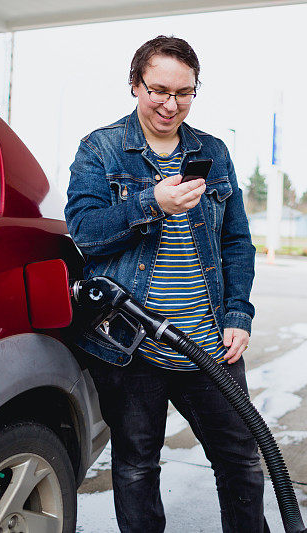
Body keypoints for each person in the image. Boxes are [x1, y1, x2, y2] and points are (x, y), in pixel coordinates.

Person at [65, 36, 267, 533]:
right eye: (158, 90)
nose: (170, 105)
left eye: (184, 93)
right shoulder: (101, 148)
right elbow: (85, 233)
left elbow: (237, 241)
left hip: (208, 345)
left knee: (241, 461)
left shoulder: (213, 153)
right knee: (137, 465)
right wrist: (151, 203)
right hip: (131, 348)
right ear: (135, 85)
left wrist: (238, 315)